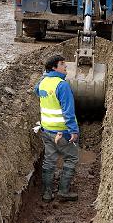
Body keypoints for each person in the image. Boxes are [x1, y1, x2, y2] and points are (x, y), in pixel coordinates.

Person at [34, 55, 79, 202]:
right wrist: (73, 130)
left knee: (49, 159)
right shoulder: (62, 85)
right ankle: (63, 191)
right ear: (54, 67)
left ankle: (47, 194)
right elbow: (68, 111)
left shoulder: (43, 82)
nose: (65, 66)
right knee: (71, 157)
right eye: (62, 64)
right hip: (62, 132)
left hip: (47, 130)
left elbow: (36, 91)